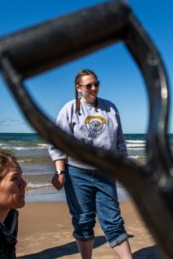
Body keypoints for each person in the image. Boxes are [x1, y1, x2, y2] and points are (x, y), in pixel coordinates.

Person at [48, 69, 132, 259]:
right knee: (83, 220)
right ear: (78, 88)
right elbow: (58, 142)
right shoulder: (69, 109)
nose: (94, 88)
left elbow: (119, 142)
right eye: (88, 85)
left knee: (113, 220)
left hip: (106, 172)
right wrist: (60, 171)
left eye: (96, 84)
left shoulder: (110, 108)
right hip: (77, 173)